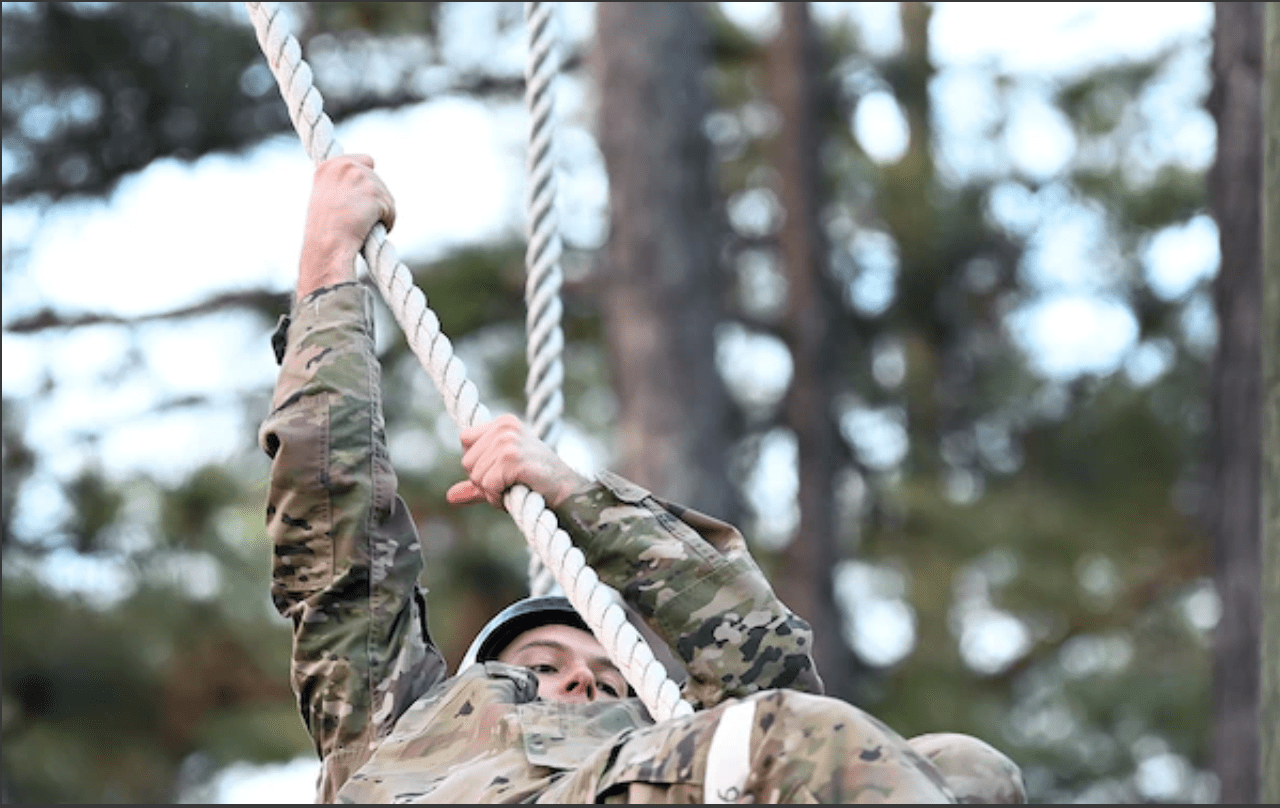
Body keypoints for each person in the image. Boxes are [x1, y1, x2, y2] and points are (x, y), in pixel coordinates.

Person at [259, 154, 1026, 804]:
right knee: (794, 738)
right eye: (543, 667)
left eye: (610, 678)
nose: (584, 685)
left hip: (666, 774)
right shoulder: (402, 721)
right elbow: (333, 531)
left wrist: (576, 496)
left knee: (966, 768)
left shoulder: (667, 751)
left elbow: (762, 658)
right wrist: (327, 268)